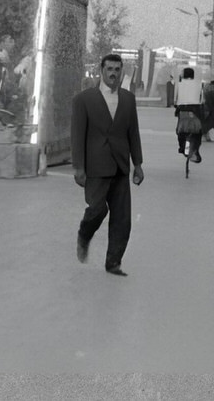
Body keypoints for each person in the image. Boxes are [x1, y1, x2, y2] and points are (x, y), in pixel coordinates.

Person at [70, 53, 144, 276]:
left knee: (122, 218)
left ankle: (113, 262)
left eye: (117, 69)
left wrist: (137, 163)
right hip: (95, 165)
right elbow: (77, 135)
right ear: (101, 71)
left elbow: (133, 133)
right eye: (109, 69)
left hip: (121, 165)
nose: (113, 73)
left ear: (122, 72)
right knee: (97, 209)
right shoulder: (84, 100)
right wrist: (79, 167)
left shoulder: (128, 100)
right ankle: (84, 234)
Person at [173, 67, 205, 162]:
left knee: (181, 131)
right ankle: (195, 151)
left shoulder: (179, 84)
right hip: (195, 110)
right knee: (198, 132)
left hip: (183, 110)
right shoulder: (199, 84)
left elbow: (175, 99)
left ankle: (185, 149)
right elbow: (202, 100)